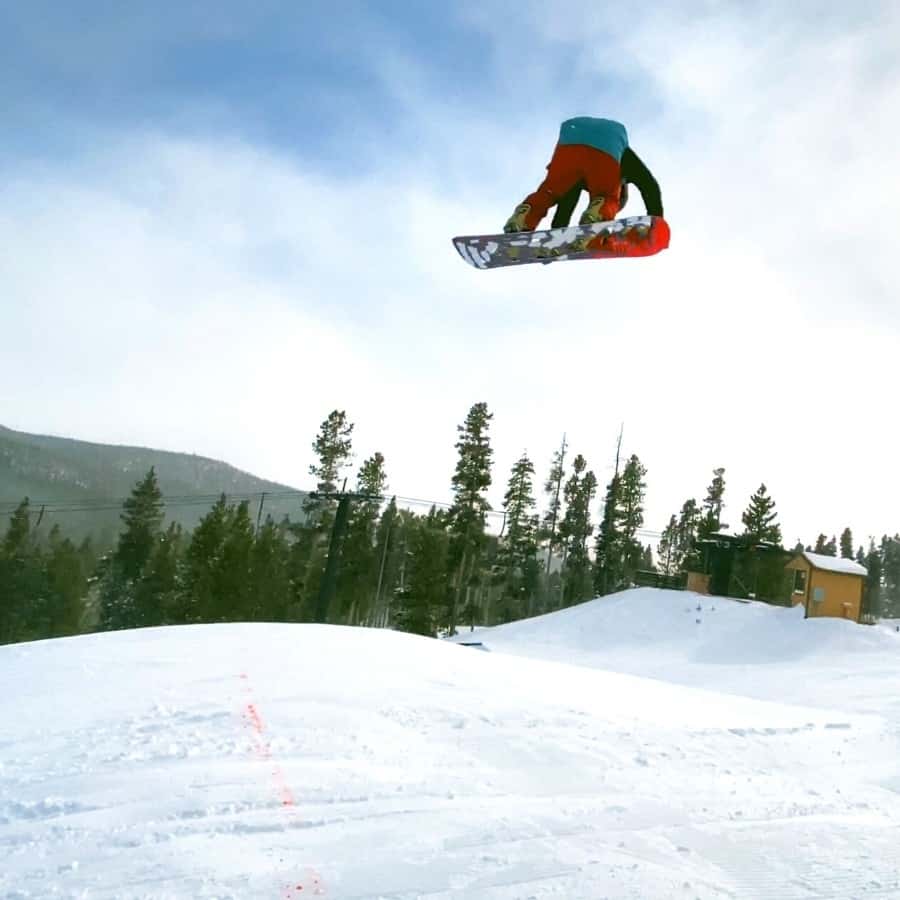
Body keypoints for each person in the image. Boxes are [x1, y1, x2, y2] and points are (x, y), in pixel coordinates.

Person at [503, 116, 664, 233]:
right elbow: (649, 185)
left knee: (550, 192)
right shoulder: (627, 163)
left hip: (570, 140)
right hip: (608, 140)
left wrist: (557, 234)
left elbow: (567, 201)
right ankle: (599, 210)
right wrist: (657, 223)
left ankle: (524, 217)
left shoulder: (580, 179)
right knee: (606, 195)